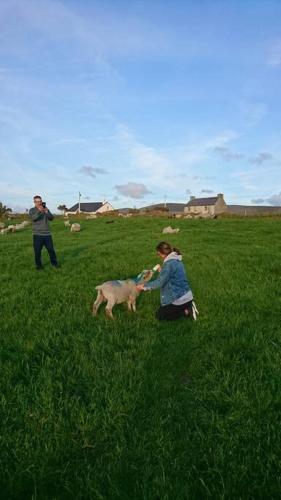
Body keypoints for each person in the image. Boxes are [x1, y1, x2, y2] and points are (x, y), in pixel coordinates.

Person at [136, 241, 195, 320]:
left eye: (159, 254)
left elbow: (159, 282)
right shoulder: (177, 259)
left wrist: (144, 286)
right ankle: (188, 305)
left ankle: (187, 311)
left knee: (160, 316)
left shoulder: (168, 264)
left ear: (163, 253)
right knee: (165, 311)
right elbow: (172, 275)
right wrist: (162, 271)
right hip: (187, 295)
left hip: (179, 298)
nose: (159, 256)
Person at [29, 195, 59, 270]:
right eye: (38, 201)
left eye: (40, 201)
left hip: (47, 234)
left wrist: (46, 212)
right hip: (37, 235)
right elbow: (33, 218)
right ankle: (39, 266)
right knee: (37, 252)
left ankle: (54, 264)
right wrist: (39, 211)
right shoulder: (32, 210)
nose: (39, 203)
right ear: (34, 202)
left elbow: (51, 218)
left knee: (51, 250)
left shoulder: (46, 209)